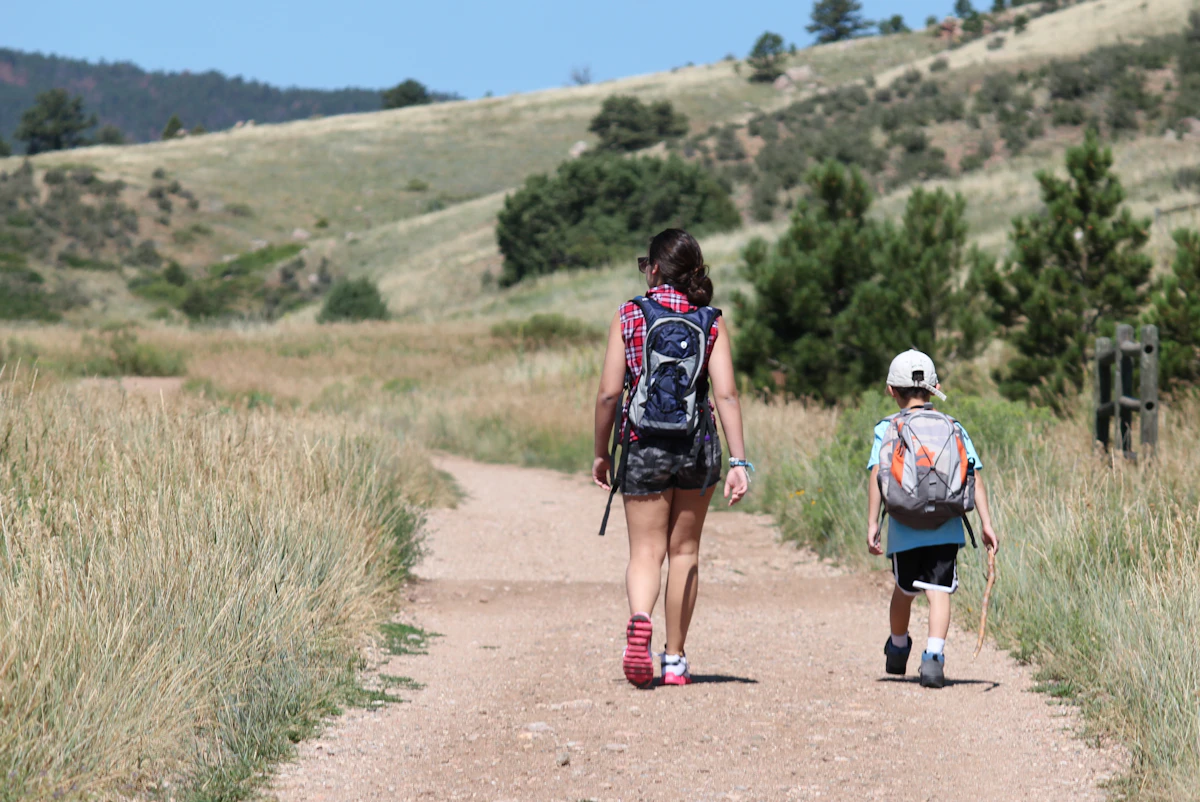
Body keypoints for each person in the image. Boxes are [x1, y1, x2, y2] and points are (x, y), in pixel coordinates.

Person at [593, 229, 751, 688]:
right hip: (697, 447)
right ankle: (675, 658)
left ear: (655, 268)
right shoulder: (711, 320)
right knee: (684, 552)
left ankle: (640, 619)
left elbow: (607, 394)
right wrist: (739, 462)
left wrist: (601, 453)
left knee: (646, 551)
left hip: (643, 445)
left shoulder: (630, 315)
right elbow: (727, 394)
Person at [866, 349, 1000, 689]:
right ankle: (934, 658)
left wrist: (873, 524)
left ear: (890, 390)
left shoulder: (887, 428)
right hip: (946, 525)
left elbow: (877, 477)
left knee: (904, 589)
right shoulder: (953, 426)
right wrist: (985, 523)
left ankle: (897, 646)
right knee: (939, 591)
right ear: (935, 387)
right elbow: (975, 475)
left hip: (904, 526)